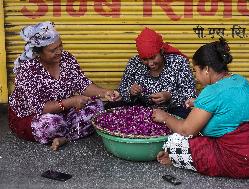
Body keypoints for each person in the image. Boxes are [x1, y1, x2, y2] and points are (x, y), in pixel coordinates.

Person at [152, 38, 249, 178]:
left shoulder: (212, 91)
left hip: (242, 160)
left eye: (196, 71)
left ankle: (175, 158)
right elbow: (226, 102)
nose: (196, 77)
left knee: (174, 141)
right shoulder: (239, 79)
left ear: (206, 69)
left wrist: (165, 117)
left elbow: (186, 130)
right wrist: (199, 103)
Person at [8, 21, 121, 151]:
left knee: (97, 106)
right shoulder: (27, 70)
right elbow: (41, 107)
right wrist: (71, 101)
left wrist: (105, 92)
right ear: (39, 52)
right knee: (51, 124)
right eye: (53, 50)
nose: (59, 51)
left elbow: (82, 84)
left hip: (64, 111)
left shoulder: (66, 59)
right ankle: (69, 132)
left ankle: (65, 137)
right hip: (33, 117)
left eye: (60, 46)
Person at [111, 27, 196, 118]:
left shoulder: (179, 62)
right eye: (145, 59)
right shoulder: (134, 63)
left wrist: (170, 96)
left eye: (153, 57)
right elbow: (121, 91)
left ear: (162, 51)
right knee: (113, 108)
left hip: (172, 111)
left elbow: (190, 95)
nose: (150, 63)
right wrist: (131, 92)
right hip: (142, 110)